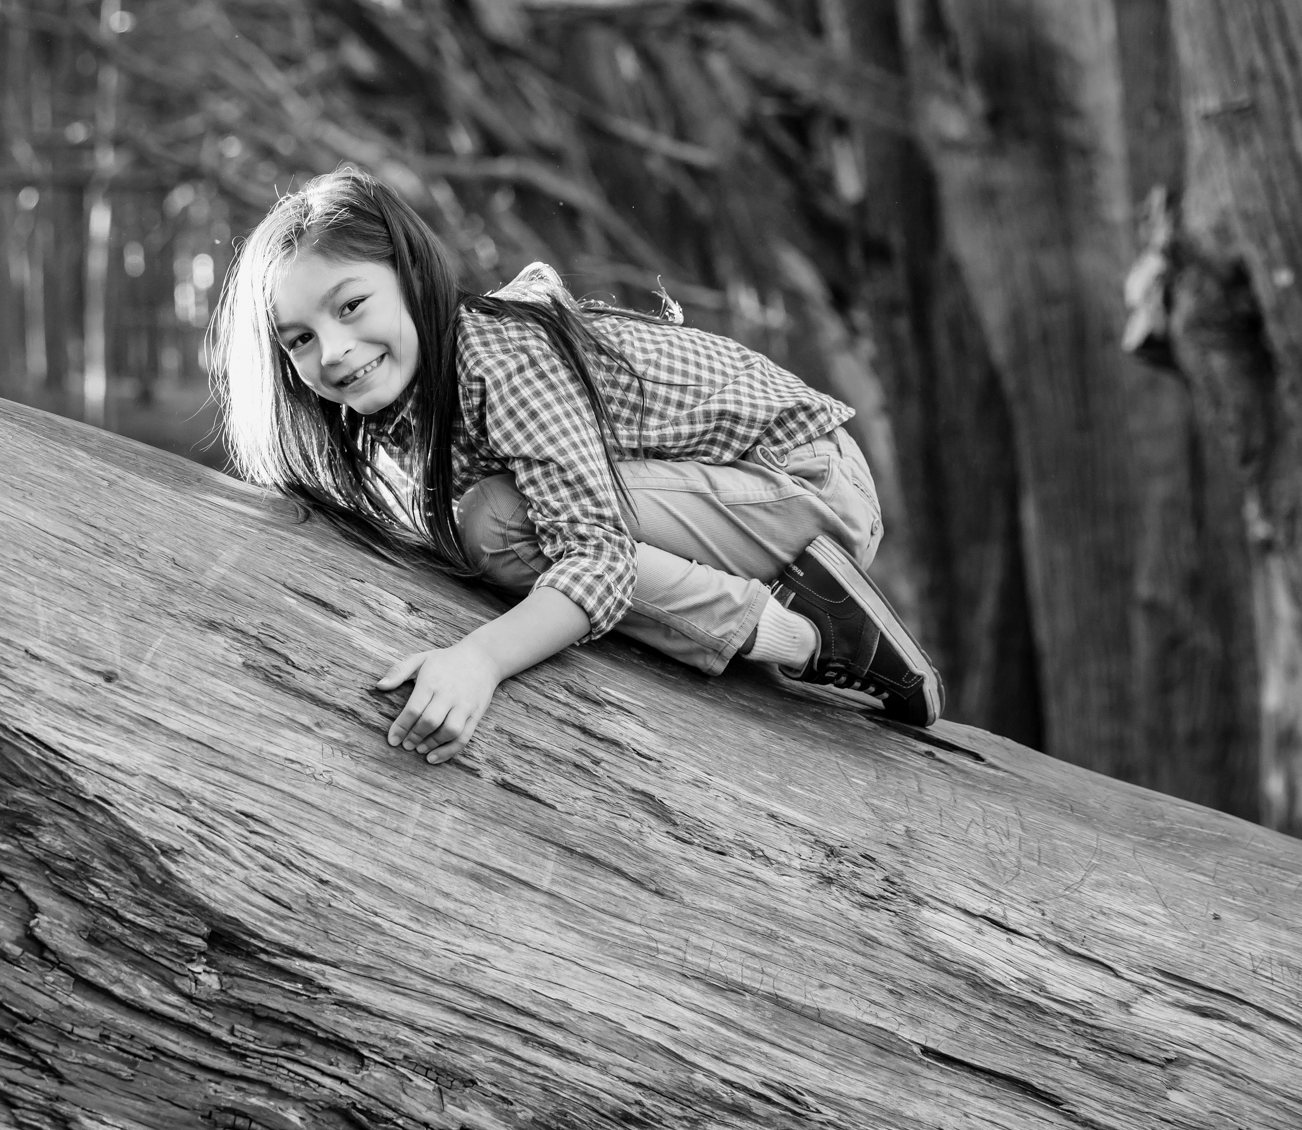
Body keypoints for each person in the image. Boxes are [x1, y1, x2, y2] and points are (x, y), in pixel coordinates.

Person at [208, 166, 942, 765]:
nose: (331, 351)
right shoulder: (399, 417)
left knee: (499, 523)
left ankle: (819, 638)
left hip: (806, 484)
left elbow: (594, 555)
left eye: (351, 306)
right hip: (728, 500)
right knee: (485, 524)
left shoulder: (496, 359)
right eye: (298, 340)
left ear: (411, 275)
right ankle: (790, 615)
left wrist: (480, 660)